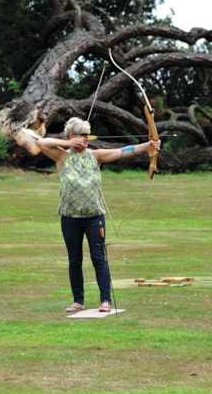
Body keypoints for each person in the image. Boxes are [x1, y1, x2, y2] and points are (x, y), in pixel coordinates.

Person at [36, 117, 160, 313]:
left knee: (99, 258)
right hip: (70, 218)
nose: (87, 140)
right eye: (82, 136)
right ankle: (78, 300)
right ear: (72, 136)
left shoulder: (96, 155)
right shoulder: (61, 157)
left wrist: (148, 145)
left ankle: (105, 301)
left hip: (94, 218)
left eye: (88, 136)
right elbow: (40, 142)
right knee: (74, 259)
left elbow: (123, 152)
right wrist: (68, 144)